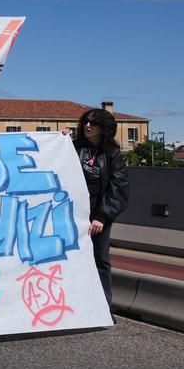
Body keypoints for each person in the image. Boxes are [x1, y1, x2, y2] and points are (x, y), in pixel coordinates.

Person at [69, 108, 129, 310]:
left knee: (100, 258)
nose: (88, 125)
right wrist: (59, 140)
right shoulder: (74, 147)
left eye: (93, 123)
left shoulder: (112, 154)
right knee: (70, 257)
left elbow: (119, 188)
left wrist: (102, 217)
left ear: (104, 129)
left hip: (98, 217)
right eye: (86, 121)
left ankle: (102, 308)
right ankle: (73, 305)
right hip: (73, 214)